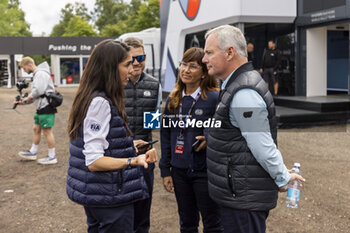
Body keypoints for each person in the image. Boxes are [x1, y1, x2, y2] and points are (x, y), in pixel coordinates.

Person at [202, 25, 305, 233]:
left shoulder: (244, 92)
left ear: (229, 52)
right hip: (238, 196)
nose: (204, 59)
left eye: (209, 53)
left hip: (242, 201)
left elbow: (261, 145)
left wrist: (282, 177)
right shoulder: (235, 86)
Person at [66, 39, 158, 233]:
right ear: (110, 68)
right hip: (109, 195)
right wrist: (133, 160)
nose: (132, 69)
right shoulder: (100, 102)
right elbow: (94, 160)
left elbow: (99, 140)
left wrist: (128, 145)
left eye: (137, 61)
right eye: (127, 64)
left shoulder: (93, 95)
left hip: (101, 193)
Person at [159, 47, 223, 233]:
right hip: (179, 171)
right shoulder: (173, 99)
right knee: (187, 223)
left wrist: (209, 137)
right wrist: (165, 170)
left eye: (193, 66)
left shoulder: (214, 98)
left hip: (205, 171)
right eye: (184, 64)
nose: (186, 70)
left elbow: (227, 127)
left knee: (213, 223)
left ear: (204, 73)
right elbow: (165, 134)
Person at [123, 37, 162, 233]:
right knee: (121, 211)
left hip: (145, 155)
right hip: (119, 154)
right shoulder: (115, 84)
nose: (137, 62)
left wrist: (147, 144)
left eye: (141, 57)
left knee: (143, 207)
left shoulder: (154, 85)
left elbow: (152, 125)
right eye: (132, 58)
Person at [16, 57, 58, 165]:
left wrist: (28, 99)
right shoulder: (37, 74)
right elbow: (36, 94)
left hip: (46, 107)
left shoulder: (40, 74)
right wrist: (23, 102)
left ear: (29, 65)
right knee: (36, 129)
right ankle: (33, 152)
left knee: (47, 131)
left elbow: (38, 91)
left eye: (24, 68)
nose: (24, 71)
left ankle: (52, 156)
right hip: (40, 107)